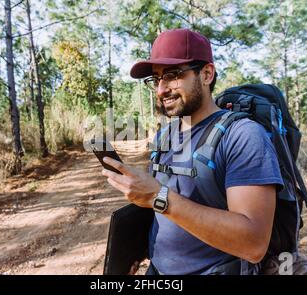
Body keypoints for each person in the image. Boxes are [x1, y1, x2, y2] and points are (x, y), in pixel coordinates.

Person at [101, 28, 284, 275]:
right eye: (156, 79)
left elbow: (253, 244)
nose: (161, 89)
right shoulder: (164, 135)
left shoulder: (242, 136)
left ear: (207, 73)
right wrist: (135, 251)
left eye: (173, 75)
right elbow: (163, 215)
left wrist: (158, 196)